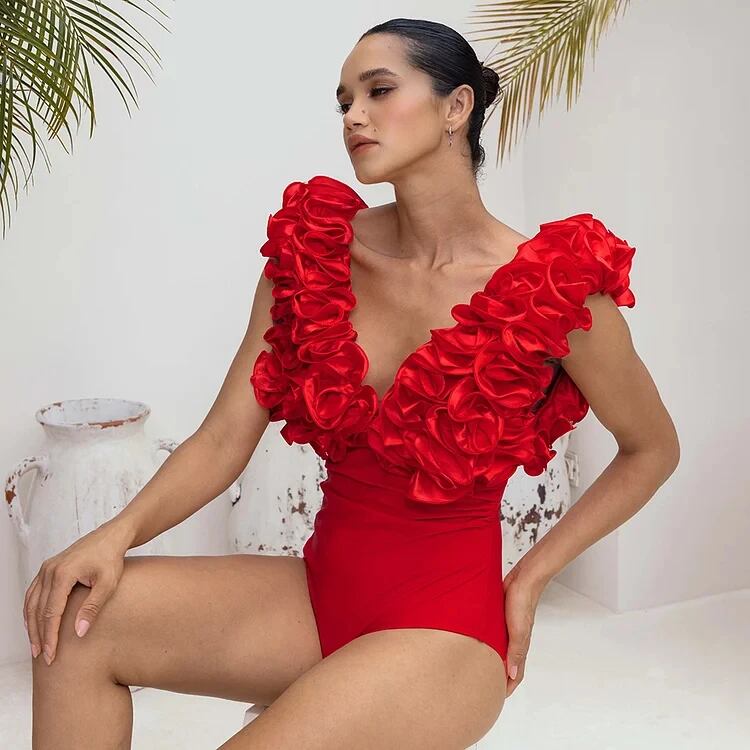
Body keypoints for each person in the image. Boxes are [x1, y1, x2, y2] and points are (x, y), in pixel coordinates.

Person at [25, 17, 680, 750]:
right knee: (73, 618)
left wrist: (531, 576)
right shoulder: (314, 256)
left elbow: (652, 448)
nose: (354, 117)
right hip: (319, 595)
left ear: (456, 106)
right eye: (344, 102)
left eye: (379, 91)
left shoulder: (552, 290)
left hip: (445, 630)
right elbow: (223, 438)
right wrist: (112, 536)